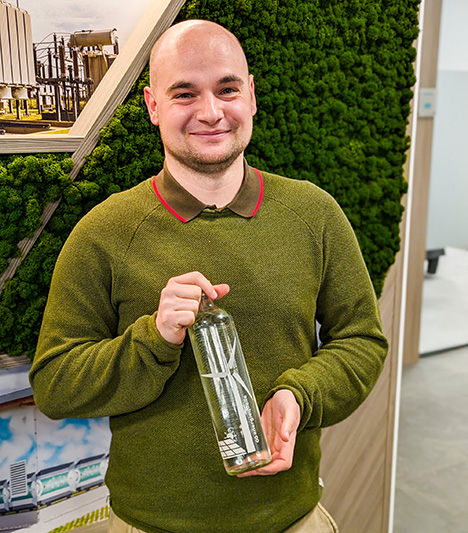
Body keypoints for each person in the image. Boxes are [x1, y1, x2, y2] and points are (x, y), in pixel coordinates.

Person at [30, 19, 388, 533]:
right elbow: (56, 384)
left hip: (292, 520)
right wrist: (153, 338)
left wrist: (299, 394)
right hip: (148, 525)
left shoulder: (314, 213)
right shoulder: (103, 232)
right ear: (153, 106)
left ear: (252, 97)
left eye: (227, 89)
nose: (211, 112)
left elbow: (361, 340)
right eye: (184, 93)